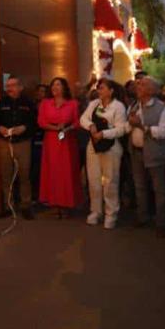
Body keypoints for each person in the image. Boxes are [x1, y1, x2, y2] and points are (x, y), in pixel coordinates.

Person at [80, 79, 128, 229]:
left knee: (110, 182)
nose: (99, 91)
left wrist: (104, 134)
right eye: (98, 88)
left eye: (101, 88)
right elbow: (83, 119)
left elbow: (122, 129)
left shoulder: (118, 106)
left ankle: (111, 214)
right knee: (93, 180)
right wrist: (91, 125)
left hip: (111, 147)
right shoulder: (94, 104)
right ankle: (96, 211)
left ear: (111, 90)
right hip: (93, 146)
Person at [127, 76, 165, 237]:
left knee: (159, 190)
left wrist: (141, 126)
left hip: (154, 153)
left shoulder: (161, 108)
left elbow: (162, 133)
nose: (138, 86)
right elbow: (128, 126)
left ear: (152, 90)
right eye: (138, 84)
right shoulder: (134, 105)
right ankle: (143, 217)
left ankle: (161, 223)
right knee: (140, 187)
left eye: (142, 84)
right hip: (136, 152)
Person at [0, 75, 37, 220]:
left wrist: (24, 127)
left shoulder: (28, 103)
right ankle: (8, 206)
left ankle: (26, 205)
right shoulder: (1, 103)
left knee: (24, 175)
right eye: (8, 86)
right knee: (6, 175)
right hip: (5, 143)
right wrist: (0, 127)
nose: (10, 88)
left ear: (20, 87)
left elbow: (35, 122)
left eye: (13, 85)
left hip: (23, 143)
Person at [38, 77, 82, 218]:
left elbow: (77, 122)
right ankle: (54, 204)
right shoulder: (45, 103)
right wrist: (55, 128)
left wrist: (67, 128)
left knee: (67, 172)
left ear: (64, 87)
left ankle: (67, 204)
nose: (55, 87)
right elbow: (41, 121)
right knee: (52, 172)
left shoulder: (73, 104)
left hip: (67, 141)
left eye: (58, 84)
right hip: (51, 140)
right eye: (53, 85)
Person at [30, 83, 48, 201]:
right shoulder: (32, 106)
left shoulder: (50, 106)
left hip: (47, 139)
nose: (40, 93)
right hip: (33, 140)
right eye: (38, 91)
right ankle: (35, 196)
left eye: (43, 91)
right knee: (34, 170)